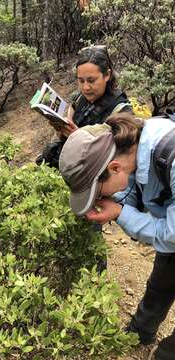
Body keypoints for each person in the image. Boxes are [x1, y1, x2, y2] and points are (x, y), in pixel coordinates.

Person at [58, 112, 175, 360]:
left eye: (97, 192)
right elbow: (132, 185)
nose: (99, 200)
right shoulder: (133, 146)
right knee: (161, 282)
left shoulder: (170, 157)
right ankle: (140, 332)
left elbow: (172, 234)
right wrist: (118, 203)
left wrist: (120, 213)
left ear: (113, 167)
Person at [36, 45, 132, 168]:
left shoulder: (121, 111)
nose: (86, 87)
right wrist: (61, 130)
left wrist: (80, 139)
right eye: (81, 81)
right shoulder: (80, 98)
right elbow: (65, 136)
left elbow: (119, 159)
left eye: (91, 80)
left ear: (107, 75)